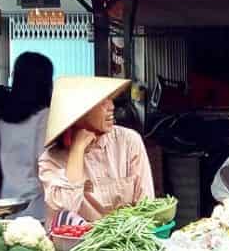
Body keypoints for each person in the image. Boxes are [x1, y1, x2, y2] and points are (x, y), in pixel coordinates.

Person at [39, 76, 154, 224]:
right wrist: (78, 149)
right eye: (101, 102)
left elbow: (146, 205)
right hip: (77, 245)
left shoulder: (128, 141)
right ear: (78, 113)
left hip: (127, 240)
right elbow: (65, 210)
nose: (111, 106)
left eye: (110, 99)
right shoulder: (50, 160)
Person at [0, 53, 54, 220]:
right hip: (34, 203)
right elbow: (42, 163)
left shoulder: (5, 118)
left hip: (7, 198)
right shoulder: (44, 116)